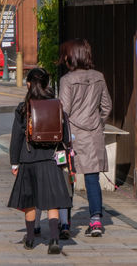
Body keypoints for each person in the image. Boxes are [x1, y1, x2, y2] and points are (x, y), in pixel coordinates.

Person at [7, 68, 72, 254]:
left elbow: (16, 139)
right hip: (51, 159)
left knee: (29, 201)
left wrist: (14, 162)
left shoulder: (23, 108)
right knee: (52, 201)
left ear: (29, 84)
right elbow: (65, 137)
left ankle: (29, 238)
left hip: (28, 159)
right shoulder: (57, 106)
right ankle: (53, 239)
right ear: (46, 85)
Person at [58, 38, 112, 237]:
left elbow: (63, 111)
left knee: (67, 179)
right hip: (93, 134)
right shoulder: (99, 77)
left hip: (72, 136)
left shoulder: (67, 80)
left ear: (72, 56)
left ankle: (65, 223)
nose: (63, 58)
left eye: (65, 54)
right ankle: (96, 220)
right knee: (92, 179)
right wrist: (98, 123)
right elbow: (106, 106)